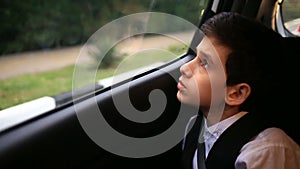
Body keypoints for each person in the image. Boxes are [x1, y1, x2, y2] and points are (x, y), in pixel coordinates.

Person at [177, 12, 300, 169]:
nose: (185, 68)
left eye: (205, 63)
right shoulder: (195, 127)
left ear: (236, 93)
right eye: (195, 56)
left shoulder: (266, 151)